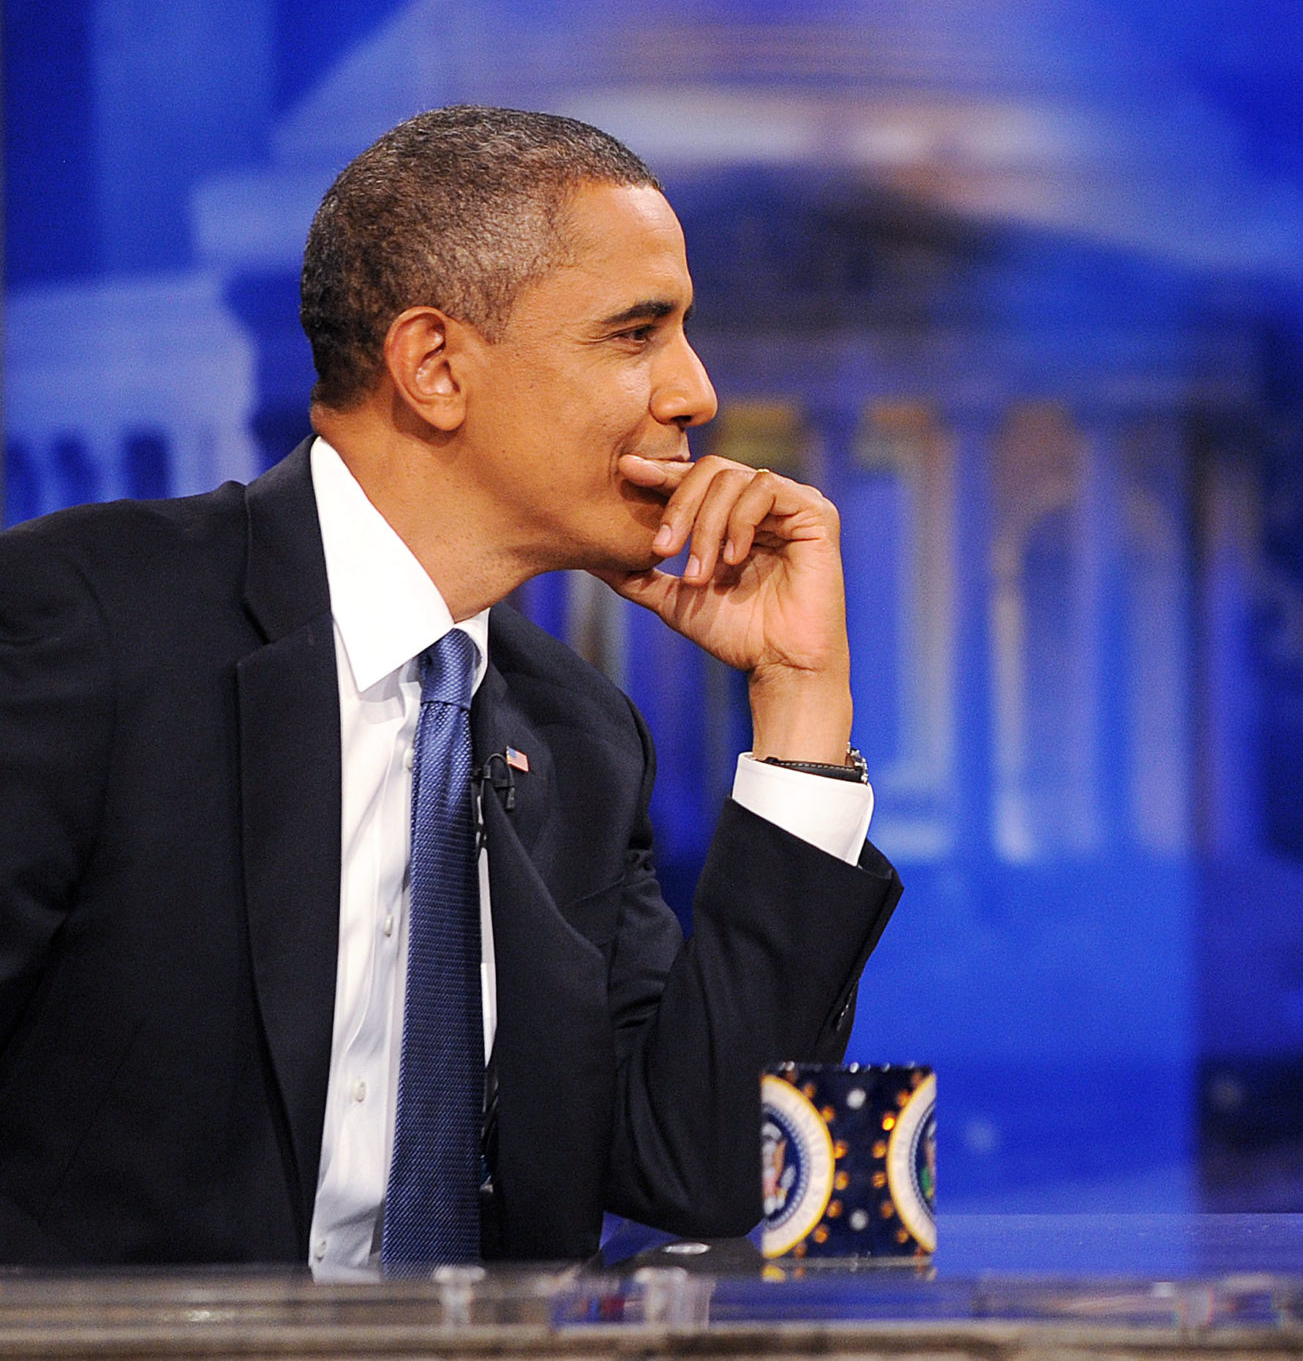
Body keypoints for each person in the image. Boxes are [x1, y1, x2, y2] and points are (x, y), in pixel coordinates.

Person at [0, 107, 902, 1269]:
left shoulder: (580, 735)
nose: (696, 391)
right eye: (637, 335)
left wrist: (798, 704)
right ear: (434, 367)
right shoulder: (93, 622)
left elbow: (704, 1170)